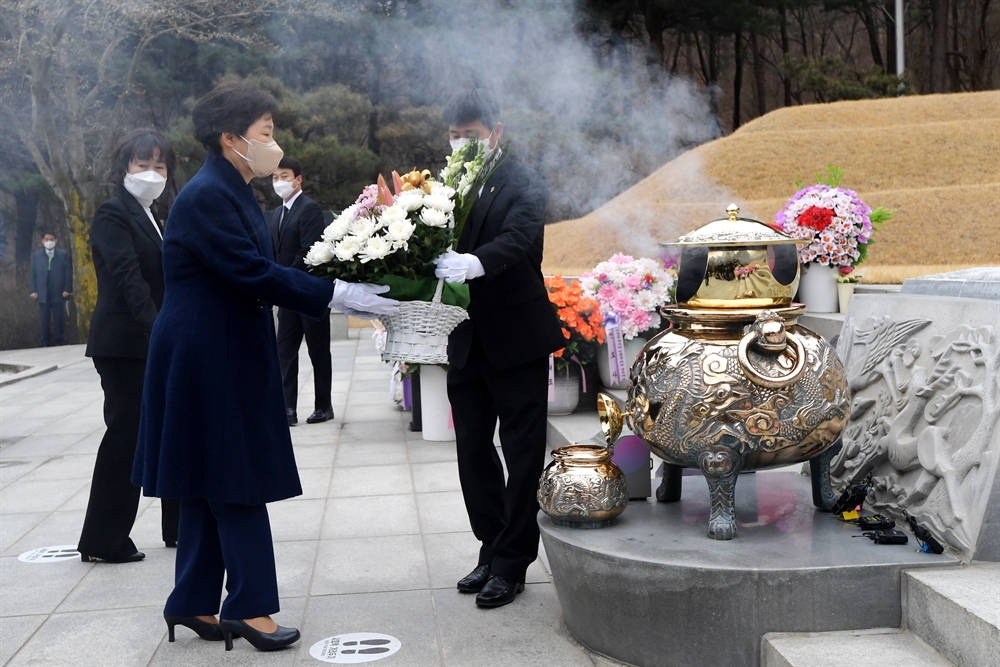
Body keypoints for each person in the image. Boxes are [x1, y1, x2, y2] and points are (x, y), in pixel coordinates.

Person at [131, 81, 398, 651]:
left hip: (215, 344)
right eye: (266, 134)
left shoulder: (230, 188)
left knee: (207, 477)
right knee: (235, 477)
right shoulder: (208, 195)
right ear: (231, 138)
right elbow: (252, 272)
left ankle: (194, 602)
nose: (275, 146)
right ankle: (250, 609)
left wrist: (337, 282)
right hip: (209, 351)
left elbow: (260, 267)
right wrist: (338, 295)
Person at [434, 89, 565, 609]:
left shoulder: (525, 179)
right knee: (472, 450)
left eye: (470, 134)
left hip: (516, 337)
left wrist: (474, 262)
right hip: (466, 337)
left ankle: (513, 563)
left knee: (521, 452)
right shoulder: (450, 183)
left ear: (496, 132)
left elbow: (519, 238)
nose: (461, 143)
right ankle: (489, 546)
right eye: (453, 135)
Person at [79, 130, 182, 564]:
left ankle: (178, 527)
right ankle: (103, 539)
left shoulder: (153, 214)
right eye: (143, 164)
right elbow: (128, 280)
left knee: (168, 428)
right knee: (127, 433)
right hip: (124, 343)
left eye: (160, 166)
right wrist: (159, 331)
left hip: (149, 339)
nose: (152, 173)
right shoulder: (112, 213)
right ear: (124, 167)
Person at [269, 157, 334, 426]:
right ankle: (287, 408)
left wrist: (283, 278)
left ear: (298, 180)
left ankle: (323, 406)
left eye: (284, 176)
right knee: (285, 352)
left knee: (318, 351)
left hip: (308, 293)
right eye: (274, 177)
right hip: (287, 296)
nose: (279, 182)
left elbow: (307, 251)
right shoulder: (276, 214)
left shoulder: (309, 209)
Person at [29, 231, 73, 346]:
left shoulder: (62, 255)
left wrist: (67, 289)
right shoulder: (37, 256)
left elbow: (68, 273)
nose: (49, 241)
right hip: (43, 293)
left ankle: (59, 341)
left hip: (58, 292)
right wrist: (33, 290)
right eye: (46, 239)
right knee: (44, 320)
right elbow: (33, 274)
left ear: (56, 240)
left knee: (59, 318)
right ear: (43, 241)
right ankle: (45, 342)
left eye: (51, 239)